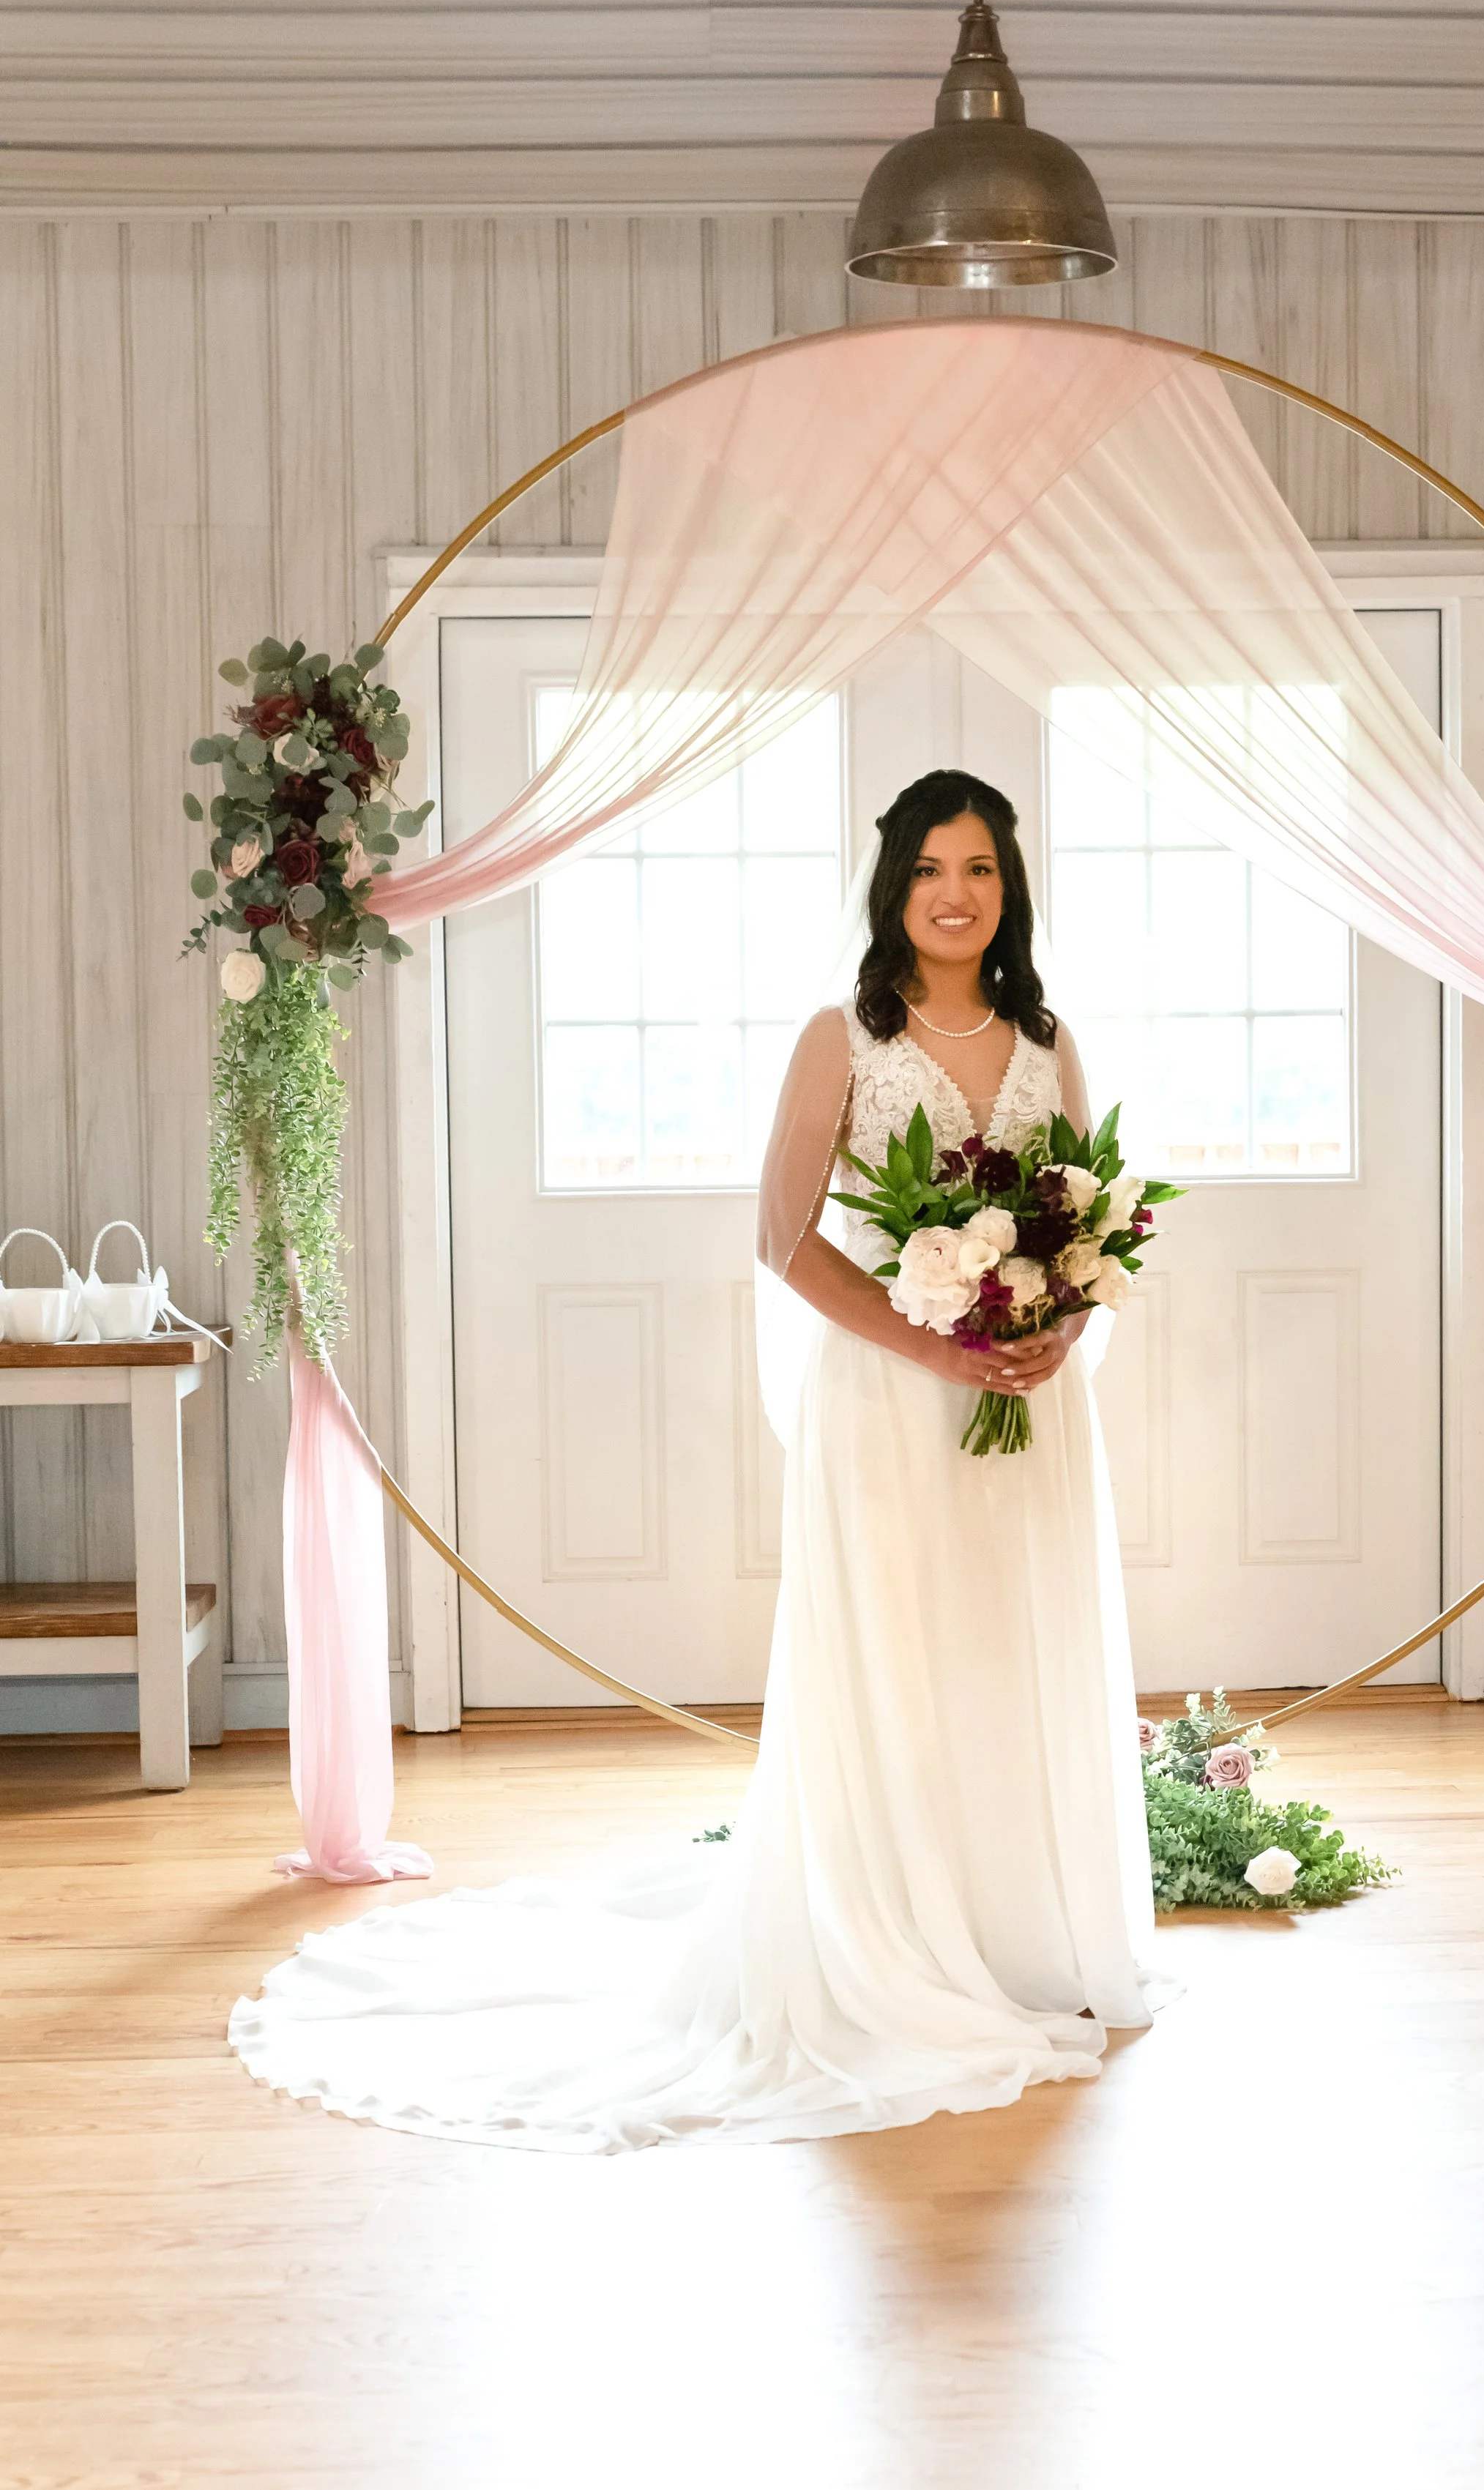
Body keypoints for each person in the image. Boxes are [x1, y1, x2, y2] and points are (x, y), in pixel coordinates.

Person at [229, 769, 1164, 2153]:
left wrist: (1052, 1324)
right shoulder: (843, 1036)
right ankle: (894, 1938)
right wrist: (940, 1354)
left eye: (979, 870)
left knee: (1011, 1647)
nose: (956, 896)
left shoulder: (1047, 1040)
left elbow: (1085, 1210)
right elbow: (784, 1240)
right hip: (897, 1400)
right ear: (892, 888)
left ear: (1009, 888)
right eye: (928, 872)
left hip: (1025, 1401)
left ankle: (1027, 1935)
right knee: (901, 1654)